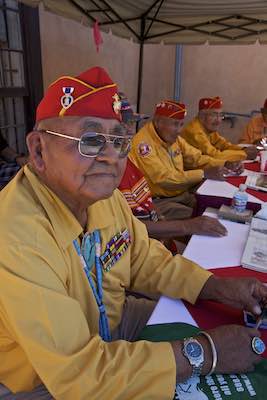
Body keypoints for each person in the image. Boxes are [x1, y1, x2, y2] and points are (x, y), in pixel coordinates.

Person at [0, 66, 266, 400]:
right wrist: (205, 352)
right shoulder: (15, 236)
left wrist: (215, 287)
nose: (112, 157)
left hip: (110, 317)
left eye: (120, 140)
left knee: (210, 323)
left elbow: (143, 259)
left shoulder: (102, 196)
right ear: (39, 150)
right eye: (92, 140)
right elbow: (78, 375)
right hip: (42, 375)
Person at [129, 100, 241, 220]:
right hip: (160, 201)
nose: (179, 130)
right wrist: (203, 173)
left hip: (182, 193)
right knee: (201, 217)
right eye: (175, 124)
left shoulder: (173, 137)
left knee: (216, 207)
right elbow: (163, 178)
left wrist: (225, 163)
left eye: (181, 124)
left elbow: (196, 158)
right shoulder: (143, 145)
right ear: (158, 122)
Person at [181, 96, 257, 161]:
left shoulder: (208, 128)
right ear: (202, 116)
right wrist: (244, 154)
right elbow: (215, 156)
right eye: (214, 115)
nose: (218, 120)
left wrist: (242, 149)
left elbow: (224, 145)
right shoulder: (195, 132)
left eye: (220, 115)